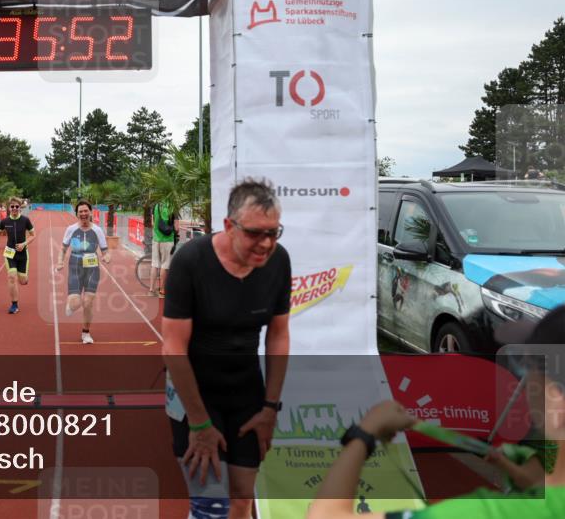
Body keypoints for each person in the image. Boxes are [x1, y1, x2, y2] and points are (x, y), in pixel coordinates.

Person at [306, 305, 565, 519]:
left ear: (556, 398)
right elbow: (537, 483)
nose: (522, 383)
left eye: (528, 371)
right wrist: (506, 464)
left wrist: (364, 433)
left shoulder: (489, 513)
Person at [162, 178, 291, 519]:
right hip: (193, 394)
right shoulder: (191, 260)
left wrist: (270, 408)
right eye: (255, 233)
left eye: (273, 233)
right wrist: (199, 424)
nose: (266, 244)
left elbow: (278, 335)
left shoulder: (279, 261)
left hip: (246, 394)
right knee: (211, 508)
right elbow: (173, 347)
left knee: (241, 501)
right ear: (229, 226)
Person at [56, 200, 111, 344]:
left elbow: (105, 251)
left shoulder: (97, 230)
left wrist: (106, 257)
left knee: (88, 302)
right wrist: (60, 261)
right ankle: (72, 303)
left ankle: (86, 333)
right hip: (75, 266)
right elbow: (63, 249)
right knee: (75, 303)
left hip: (92, 268)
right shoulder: (71, 229)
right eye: (80, 211)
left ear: (90, 212)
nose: (83, 213)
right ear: (77, 214)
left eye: (86, 211)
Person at [0, 196, 35, 314]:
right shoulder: (5, 221)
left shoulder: (25, 220)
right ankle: (14, 305)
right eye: (12, 206)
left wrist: (24, 244)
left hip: (23, 254)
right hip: (9, 253)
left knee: (22, 280)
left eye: (17, 206)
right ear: (9, 208)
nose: (14, 208)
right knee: (12, 277)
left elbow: (33, 235)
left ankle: (24, 279)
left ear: (20, 208)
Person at [150, 198, 178, 298]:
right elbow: (177, 227)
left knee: (154, 264)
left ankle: (151, 289)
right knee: (165, 264)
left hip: (156, 239)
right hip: (167, 240)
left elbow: (153, 223)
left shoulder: (156, 205)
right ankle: (162, 290)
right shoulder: (172, 206)